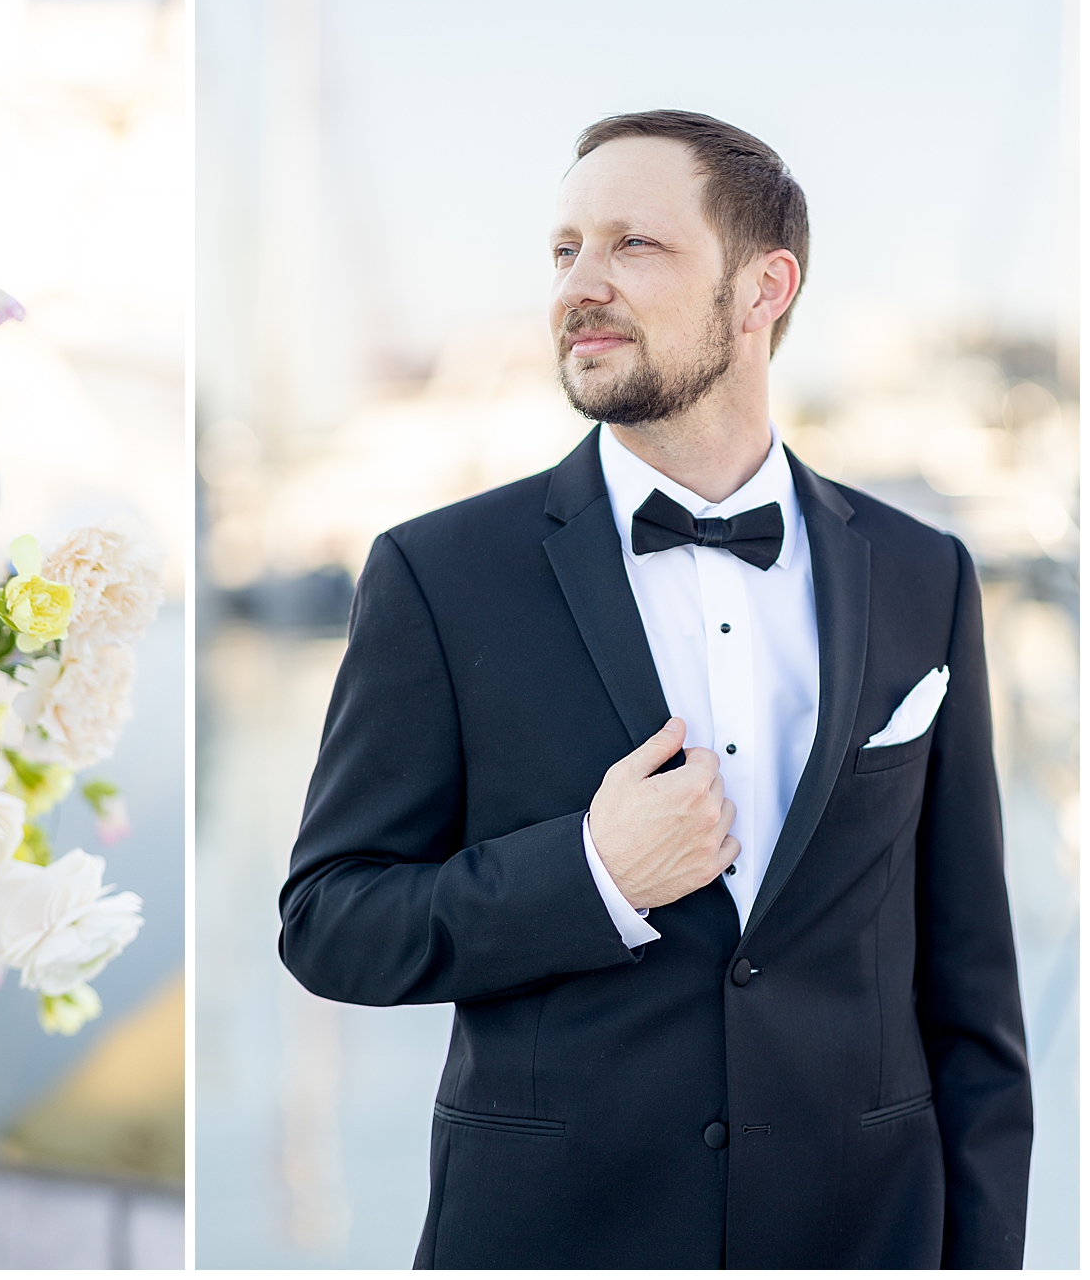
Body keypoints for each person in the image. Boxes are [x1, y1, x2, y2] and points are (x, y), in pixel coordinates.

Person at [279, 110, 1031, 1268]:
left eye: (634, 244)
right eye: (564, 249)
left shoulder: (923, 573)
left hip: (861, 1231)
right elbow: (330, 921)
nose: (579, 285)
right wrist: (591, 875)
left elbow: (973, 997)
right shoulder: (439, 573)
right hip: (551, 1237)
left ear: (763, 287)